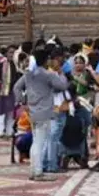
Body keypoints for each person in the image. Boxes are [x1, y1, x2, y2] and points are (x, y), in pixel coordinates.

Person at [20, 46, 68, 181]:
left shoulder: (28, 74)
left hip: (33, 111)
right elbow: (63, 86)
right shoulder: (49, 75)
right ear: (46, 60)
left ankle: (33, 169)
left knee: (36, 140)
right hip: (45, 111)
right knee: (39, 142)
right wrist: (61, 74)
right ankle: (38, 171)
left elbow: (16, 88)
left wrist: (23, 102)